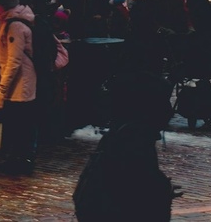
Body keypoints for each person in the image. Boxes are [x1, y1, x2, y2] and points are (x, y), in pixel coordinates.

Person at [73, 68, 181, 221]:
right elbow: (135, 187)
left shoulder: (124, 133)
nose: (169, 111)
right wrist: (162, 189)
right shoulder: (134, 138)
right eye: (163, 103)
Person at [0, 0, 39, 174]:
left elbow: (14, 60)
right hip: (21, 85)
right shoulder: (14, 21)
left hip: (20, 86)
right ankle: (18, 159)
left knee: (19, 124)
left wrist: (2, 89)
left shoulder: (15, 26)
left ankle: (19, 161)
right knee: (20, 124)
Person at [127, 0, 189, 73]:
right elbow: (147, 14)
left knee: (173, 58)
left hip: (173, 30)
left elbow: (181, 12)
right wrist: (157, 27)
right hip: (155, 30)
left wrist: (179, 28)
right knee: (156, 57)